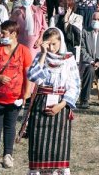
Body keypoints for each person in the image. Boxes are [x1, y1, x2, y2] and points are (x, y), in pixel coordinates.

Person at [23, 27, 81, 175]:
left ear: (60, 42)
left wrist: (61, 105)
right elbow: (34, 77)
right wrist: (43, 54)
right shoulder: (40, 57)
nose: (51, 48)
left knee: (59, 142)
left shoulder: (68, 59)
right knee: (38, 141)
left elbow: (75, 86)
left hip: (60, 105)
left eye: (54, 44)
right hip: (41, 103)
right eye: (48, 44)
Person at [0, 19, 32, 171]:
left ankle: (8, 155)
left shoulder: (24, 51)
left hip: (15, 99)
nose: (1, 36)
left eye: (4, 33)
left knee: (10, 127)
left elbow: (28, 74)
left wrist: (26, 94)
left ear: (14, 34)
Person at [77, 8, 99, 109]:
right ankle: (84, 99)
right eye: (94, 19)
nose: (95, 21)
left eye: (98, 19)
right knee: (90, 70)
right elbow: (82, 50)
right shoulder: (85, 32)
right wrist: (91, 61)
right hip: (88, 62)